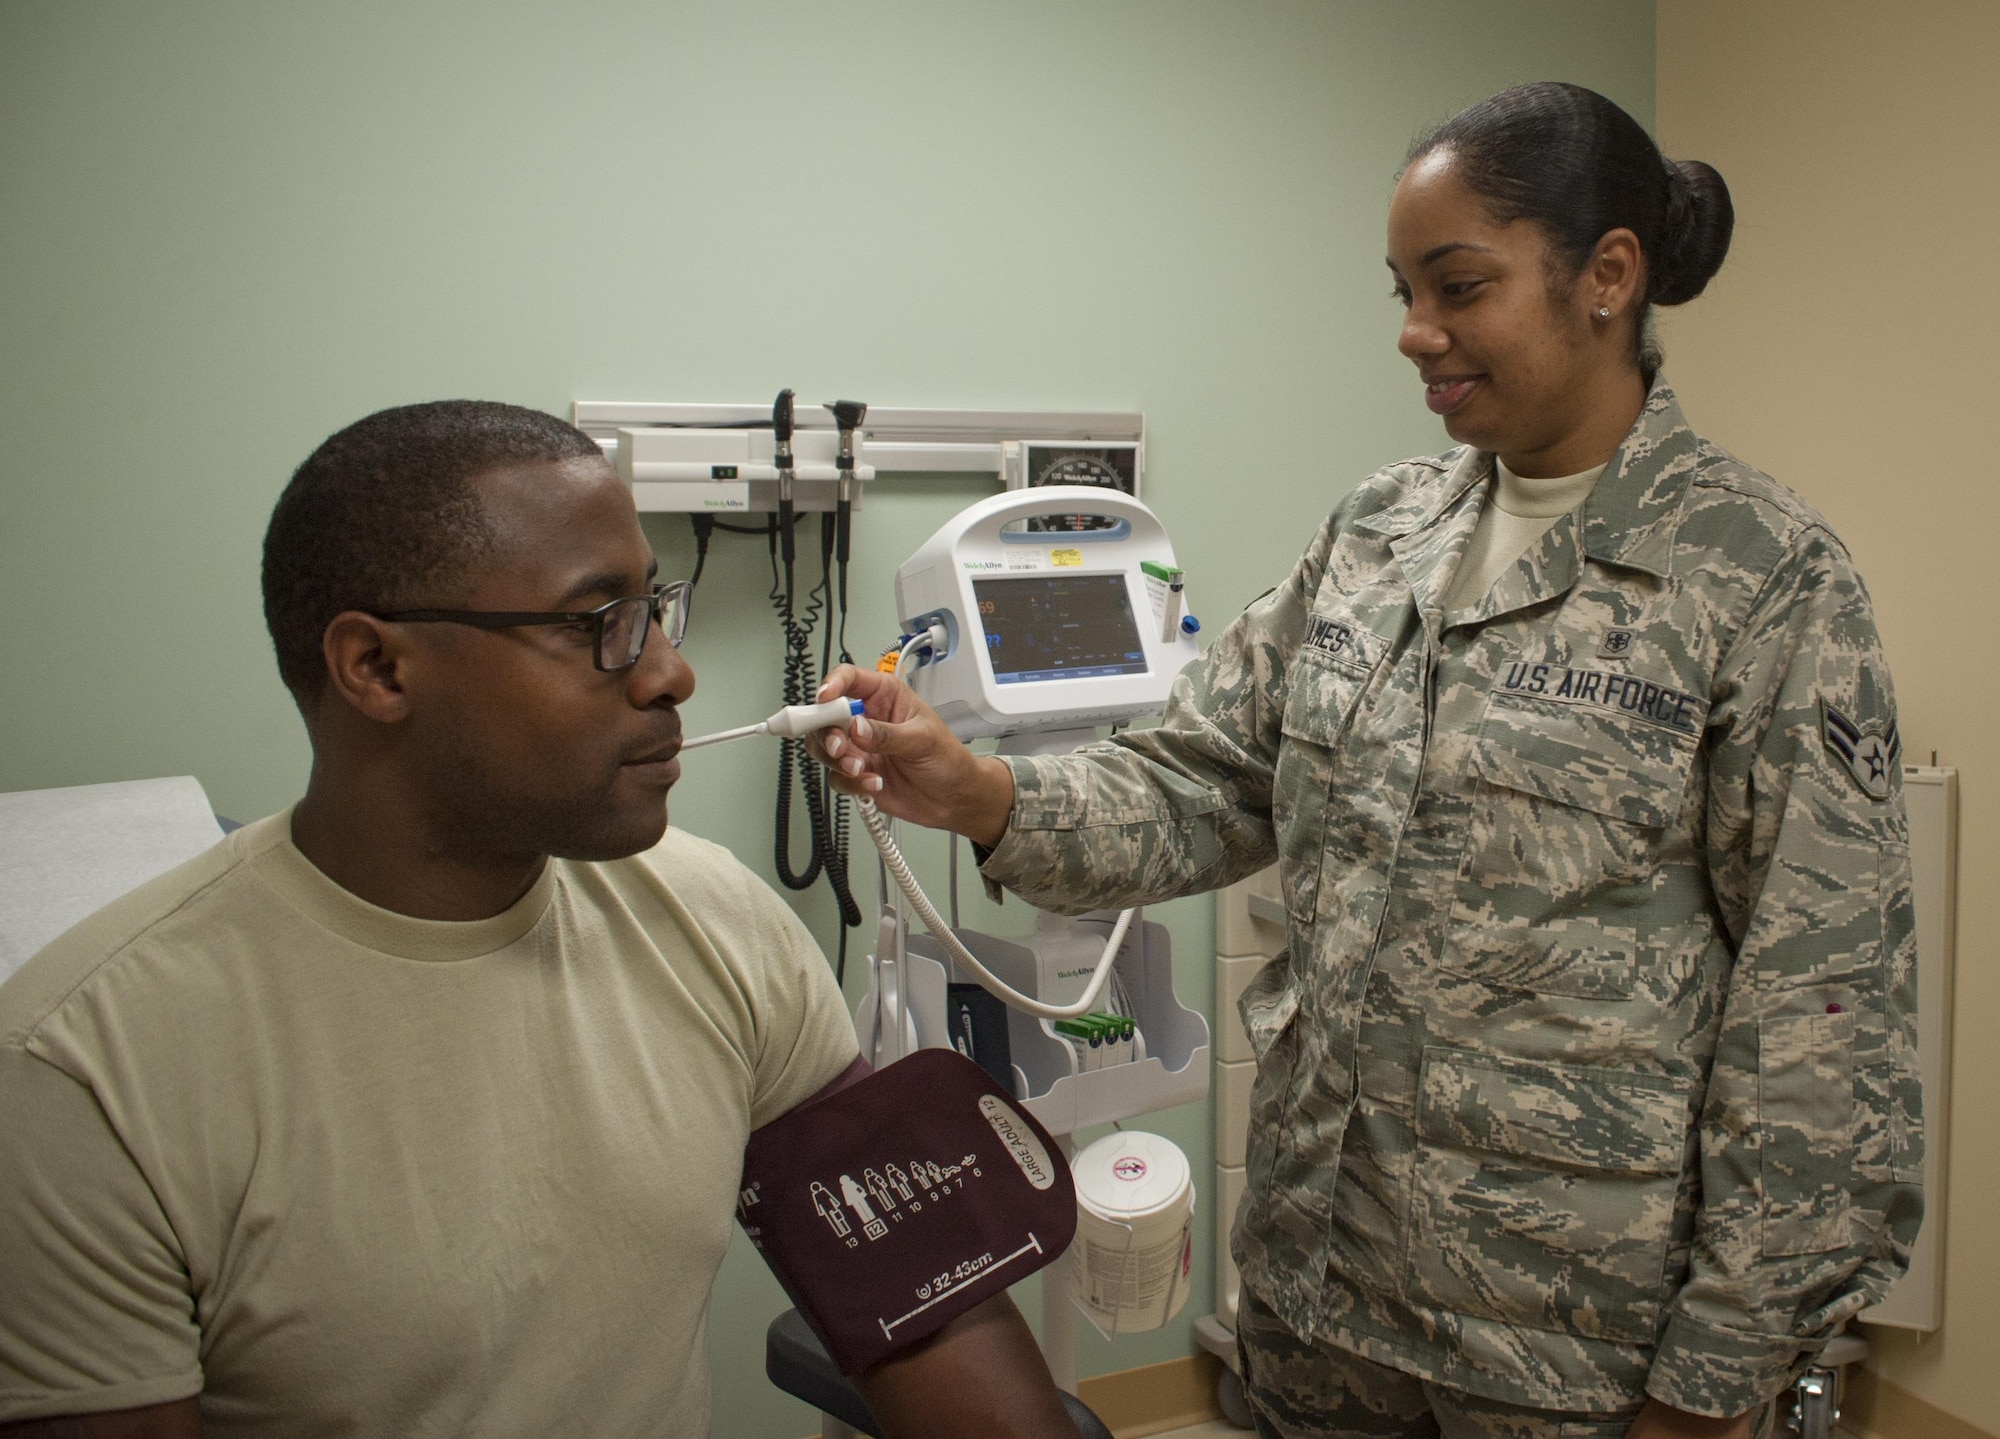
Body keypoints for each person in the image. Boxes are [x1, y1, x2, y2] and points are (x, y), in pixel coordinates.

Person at [813, 84, 1922, 1439]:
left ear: (1608, 278)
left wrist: (1708, 1388)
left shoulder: (1762, 581)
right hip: (1317, 1304)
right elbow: (1208, 776)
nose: (1415, 333)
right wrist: (977, 790)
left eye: (1458, 286)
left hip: (1573, 1357)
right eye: (1402, 289)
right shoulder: (1382, 530)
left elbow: (1820, 1023)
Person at [0, 401, 1076, 1438]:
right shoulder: (86, 1070)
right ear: (376, 666)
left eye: (653, 608)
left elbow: (919, 1292)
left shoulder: (714, 920)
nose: (671, 671)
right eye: (597, 622)